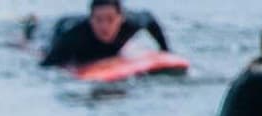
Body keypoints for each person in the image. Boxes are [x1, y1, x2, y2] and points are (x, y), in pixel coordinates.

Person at [38, 0, 170, 68]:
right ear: (91, 19)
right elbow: (46, 65)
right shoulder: (74, 36)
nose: (104, 26)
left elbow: (150, 19)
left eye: (110, 19)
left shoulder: (131, 23)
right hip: (60, 28)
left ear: (121, 18)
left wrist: (165, 50)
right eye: (98, 20)